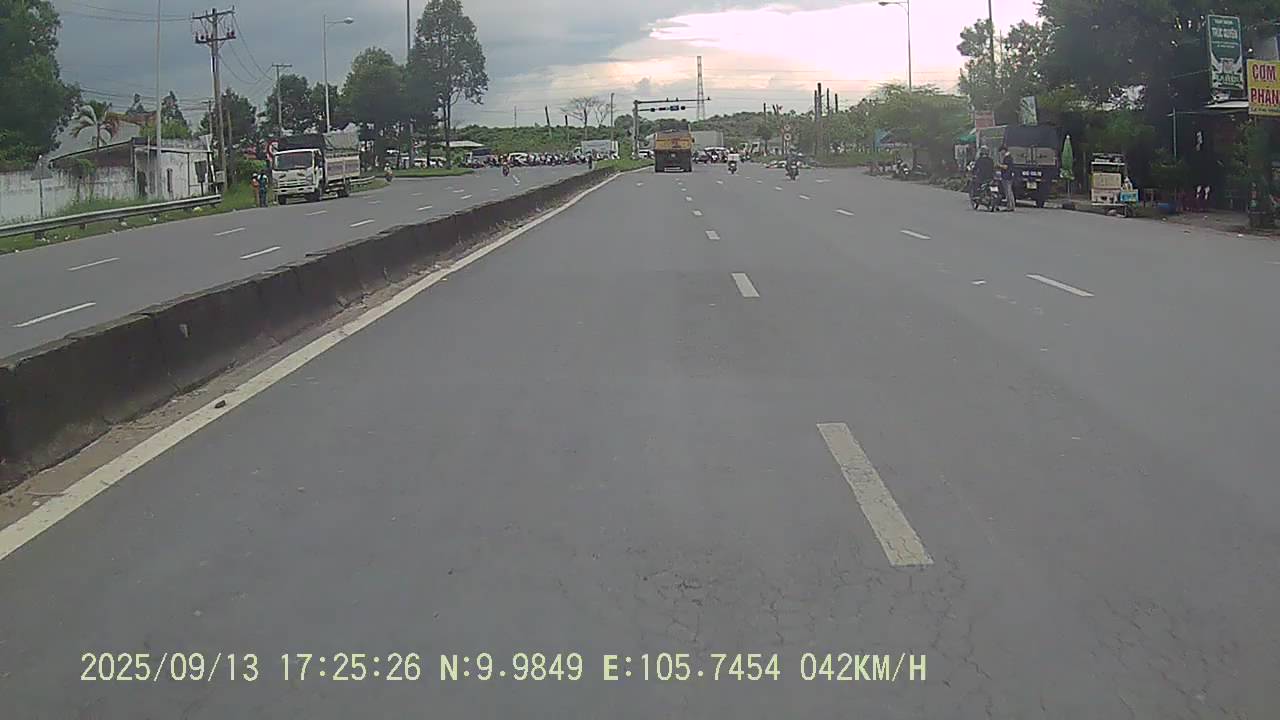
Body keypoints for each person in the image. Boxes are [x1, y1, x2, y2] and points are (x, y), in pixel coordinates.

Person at [997, 144, 1016, 211]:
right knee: (1010, 191)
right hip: (1009, 176)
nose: (1001, 153)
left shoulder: (1007, 157)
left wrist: (999, 165)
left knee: (1008, 192)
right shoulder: (1009, 157)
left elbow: (1006, 167)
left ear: (1004, 150)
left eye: (1001, 151)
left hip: (1007, 176)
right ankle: (1012, 206)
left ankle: (1009, 206)